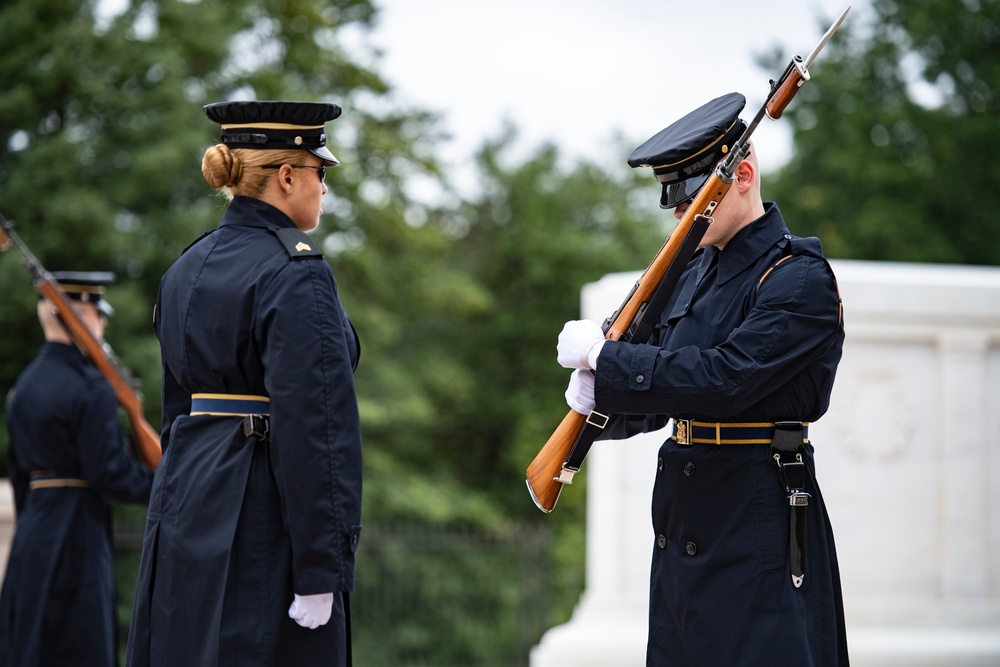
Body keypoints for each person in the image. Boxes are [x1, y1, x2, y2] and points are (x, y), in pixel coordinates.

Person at [556, 93, 850, 665]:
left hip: (755, 524)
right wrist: (600, 401)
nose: (678, 215)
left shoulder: (797, 279)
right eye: (671, 200)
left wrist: (610, 362)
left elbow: (724, 380)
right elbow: (668, 391)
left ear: (741, 175)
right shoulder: (694, 273)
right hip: (683, 521)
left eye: (689, 198)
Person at [125, 101, 363, 667]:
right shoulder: (296, 270)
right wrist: (321, 568)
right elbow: (317, 427)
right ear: (286, 175)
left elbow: (175, 415)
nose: (324, 189)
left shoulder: (184, 268)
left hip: (187, 503)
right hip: (262, 507)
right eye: (319, 173)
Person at [0, 272, 154, 667]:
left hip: (33, 534)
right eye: (98, 314)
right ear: (79, 317)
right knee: (80, 648)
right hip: (78, 535)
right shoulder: (91, 387)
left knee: (30, 647)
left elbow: (19, 476)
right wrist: (166, 484)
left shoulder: (23, 387)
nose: (103, 324)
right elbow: (110, 473)